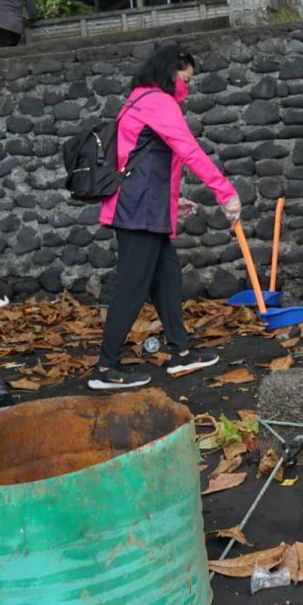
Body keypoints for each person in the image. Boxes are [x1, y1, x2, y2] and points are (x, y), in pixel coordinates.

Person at [92, 46, 241, 389]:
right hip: (139, 211)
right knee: (133, 286)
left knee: (167, 281)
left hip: (144, 207)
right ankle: (105, 368)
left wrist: (172, 203)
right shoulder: (159, 102)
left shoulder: (137, 99)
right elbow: (186, 148)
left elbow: (143, 161)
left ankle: (181, 353)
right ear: (169, 73)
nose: (186, 87)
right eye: (185, 79)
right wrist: (225, 192)